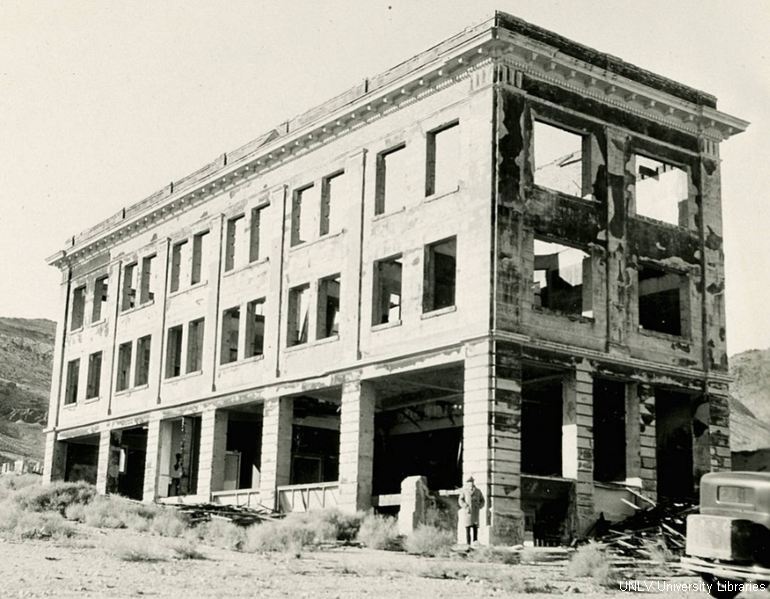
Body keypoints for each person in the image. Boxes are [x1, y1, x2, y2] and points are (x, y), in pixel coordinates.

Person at [458, 475, 484, 545]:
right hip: (468, 512)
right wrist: (465, 506)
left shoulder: (478, 491)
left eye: (472, 482)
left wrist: (479, 506)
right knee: (468, 529)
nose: (471, 483)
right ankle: (468, 544)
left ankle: (475, 544)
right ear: (467, 483)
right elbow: (460, 500)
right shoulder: (465, 491)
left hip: (475, 512)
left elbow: (482, 500)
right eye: (469, 482)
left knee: (475, 530)